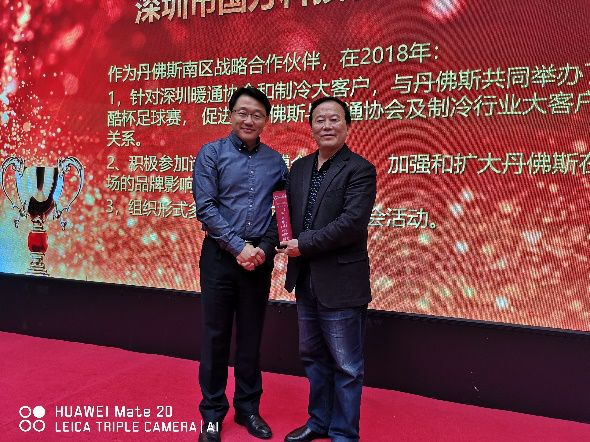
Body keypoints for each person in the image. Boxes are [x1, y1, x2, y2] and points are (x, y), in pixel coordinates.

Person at [277, 97, 377, 442]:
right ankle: (318, 421)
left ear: (348, 126)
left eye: (334, 119)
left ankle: (344, 434)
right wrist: (269, 240)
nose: (327, 125)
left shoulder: (360, 169)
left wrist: (303, 244)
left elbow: (351, 224)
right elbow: (286, 216)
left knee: (347, 366)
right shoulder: (300, 168)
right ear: (311, 127)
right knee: (312, 356)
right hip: (305, 279)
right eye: (320, 120)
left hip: (341, 282)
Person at [193, 86, 288, 442]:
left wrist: (262, 248)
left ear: (266, 120)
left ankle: (248, 408)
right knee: (216, 336)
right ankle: (212, 414)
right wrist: (238, 248)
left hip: (258, 260)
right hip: (219, 258)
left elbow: (282, 211)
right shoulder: (211, 153)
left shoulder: (275, 162)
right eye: (243, 113)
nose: (249, 120)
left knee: (250, 338)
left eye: (257, 115)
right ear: (230, 114)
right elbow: (206, 208)